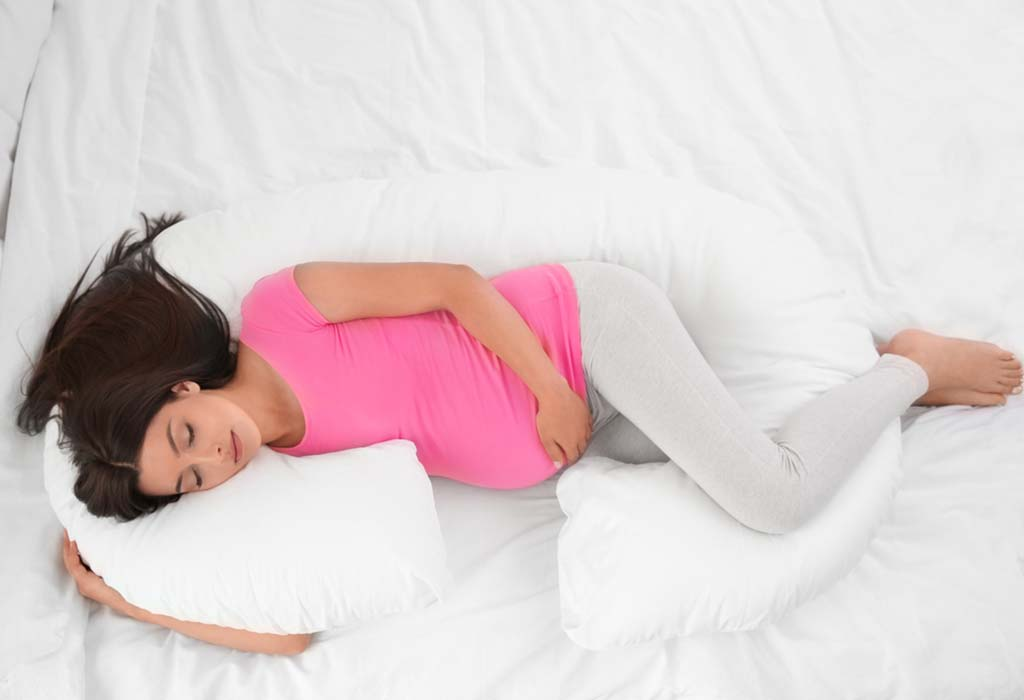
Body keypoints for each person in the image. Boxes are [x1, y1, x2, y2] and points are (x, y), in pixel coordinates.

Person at [20, 212, 1021, 653]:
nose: (213, 458)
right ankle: (863, 376)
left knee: (771, 499)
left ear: (182, 386)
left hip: (582, 334)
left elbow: (456, 285)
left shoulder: (281, 310)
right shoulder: (292, 468)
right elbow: (289, 632)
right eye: (192, 480)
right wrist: (130, 602)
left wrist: (547, 389)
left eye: (185, 435)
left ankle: (910, 366)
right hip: (590, 432)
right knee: (727, 474)